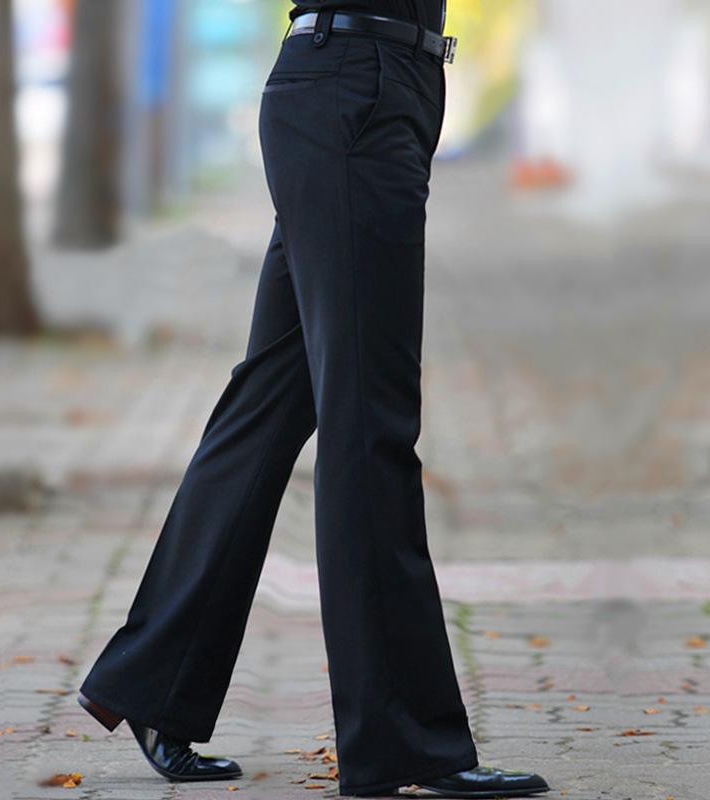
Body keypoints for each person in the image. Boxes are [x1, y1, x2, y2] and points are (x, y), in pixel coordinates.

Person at [76, 2, 550, 797]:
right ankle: (400, 741)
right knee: (369, 424)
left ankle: (152, 681)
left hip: (360, 86)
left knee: (266, 409)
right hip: (357, 90)